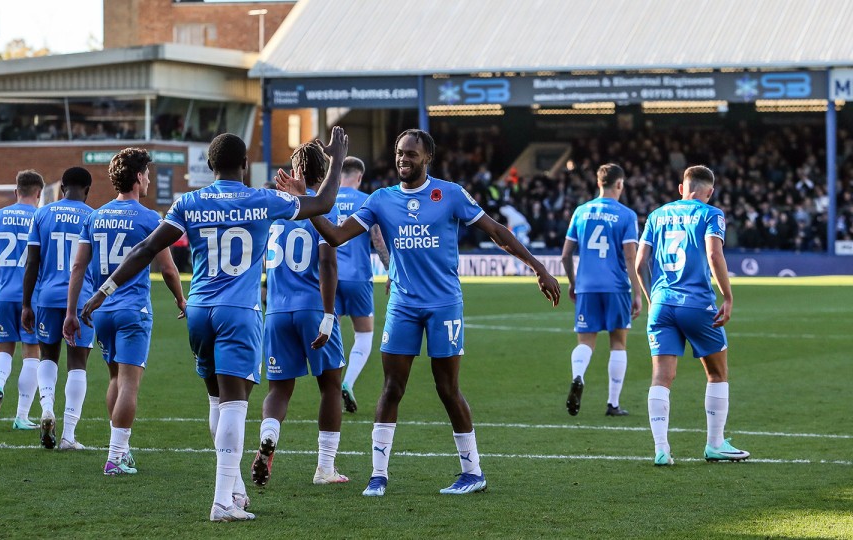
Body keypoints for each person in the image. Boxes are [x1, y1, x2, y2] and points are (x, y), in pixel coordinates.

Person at [79, 128, 348, 522]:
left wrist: (104, 289)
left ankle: (235, 489)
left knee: (216, 402)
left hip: (200, 310)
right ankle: (221, 501)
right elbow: (324, 202)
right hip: (239, 311)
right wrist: (338, 157)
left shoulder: (189, 201)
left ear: (209, 165)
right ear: (243, 165)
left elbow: (146, 249)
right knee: (236, 405)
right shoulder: (262, 199)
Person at [285, 129, 561, 497]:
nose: (403, 159)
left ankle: (473, 472)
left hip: (444, 305)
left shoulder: (449, 194)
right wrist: (305, 198)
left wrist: (537, 267)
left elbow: (495, 231)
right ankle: (378, 475)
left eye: (411, 154)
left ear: (427, 158)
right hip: (402, 305)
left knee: (447, 389)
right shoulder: (381, 200)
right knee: (391, 388)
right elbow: (334, 235)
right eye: (399, 153)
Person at [64, 148, 187, 475]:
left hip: (100, 310)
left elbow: (78, 266)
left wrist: (71, 312)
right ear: (137, 177)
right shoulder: (149, 218)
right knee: (130, 383)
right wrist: (181, 300)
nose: (148, 178)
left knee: (116, 378)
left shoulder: (95, 216)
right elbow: (169, 270)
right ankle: (116, 456)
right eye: (146, 173)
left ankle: (122, 450)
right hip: (133, 310)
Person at [634, 165, 750, 466]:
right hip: (697, 304)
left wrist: (651, 299)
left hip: (661, 303)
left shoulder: (657, 215)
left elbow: (639, 262)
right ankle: (715, 444)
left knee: (661, 376)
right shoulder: (711, 214)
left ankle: (661, 449)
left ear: (680, 188)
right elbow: (714, 254)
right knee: (717, 373)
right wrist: (728, 296)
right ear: (709, 192)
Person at [251, 142, 348, 489]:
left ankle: (268, 439)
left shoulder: (277, 210)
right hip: (311, 307)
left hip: (276, 310)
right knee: (331, 387)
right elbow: (327, 261)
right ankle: (324, 467)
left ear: (292, 171)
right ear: (322, 172)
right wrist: (327, 313)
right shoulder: (321, 208)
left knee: (279, 390)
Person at [22, 167, 96, 451]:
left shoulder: (42, 214)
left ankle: (47, 407)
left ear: (62, 186)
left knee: (47, 357)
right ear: (87, 190)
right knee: (78, 364)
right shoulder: (93, 215)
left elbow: (32, 263)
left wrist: (27, 303)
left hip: (48, 297)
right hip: (81, 299)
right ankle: (68, 435)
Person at [560, 164, 642, 417]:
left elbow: (565, 255)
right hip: (616, 286)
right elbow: (631, 259)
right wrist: (637, 293)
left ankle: (577, 376)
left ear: (599, 183)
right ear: (619, 184)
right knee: (618, 342)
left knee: (586, 341)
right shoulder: (627, 215)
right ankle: (613, 404)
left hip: (587, 286)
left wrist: (574, 283)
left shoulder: (581, 212)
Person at [0, 170, 46, 430]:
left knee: (3, 348)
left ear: (16, 190)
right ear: (39, 193)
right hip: (33, 296)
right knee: (32, 355)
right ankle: (21, 416)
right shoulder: (41, 216)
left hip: (4, 294)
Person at [333, 156, 390, 413]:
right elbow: (378, 241)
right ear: (359, 177)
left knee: (329, 334)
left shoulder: (326, 200)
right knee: (364, 335)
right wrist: (392, 271)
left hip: (329, 278)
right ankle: (348, 381)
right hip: (358, 278)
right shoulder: (367, 201)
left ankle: (331, 388)